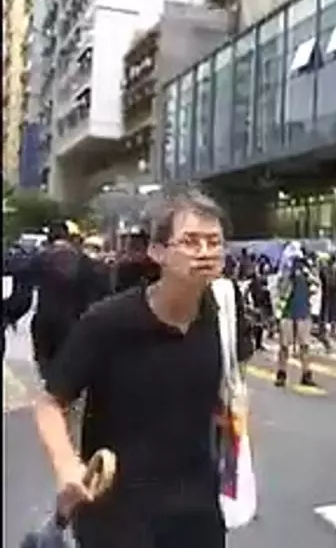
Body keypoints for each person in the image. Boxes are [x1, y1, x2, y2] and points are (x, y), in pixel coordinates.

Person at [32, 186, 248, 548]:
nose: (205, 253)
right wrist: (67, 465)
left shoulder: (224, 313)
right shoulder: (108, 322)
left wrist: (232, 419)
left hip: (198, 513)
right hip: (117, 516)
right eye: (191, 241)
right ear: (157, 251)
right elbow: (50, 403)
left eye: (214, 242)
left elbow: (224, 390)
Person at [27, 220, 110, 377]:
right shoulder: (87, 262)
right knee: (69, 369)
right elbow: (102, 291)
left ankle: (50, 388)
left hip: (44, 322)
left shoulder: (39, 258)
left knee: (46, 367)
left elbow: (22, 286)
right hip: (73, 322)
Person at [274, 251, 319, 388]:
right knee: (284, 346)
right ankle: (282, 373)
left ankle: (306, 373)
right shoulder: (285, 274)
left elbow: (316, 288)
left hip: (303, 312)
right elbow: (280, 290)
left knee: (304, 345)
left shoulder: (308, 274)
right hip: (287, 312)